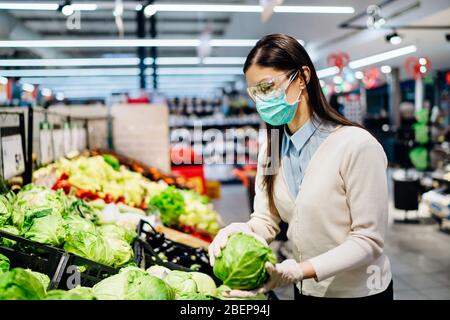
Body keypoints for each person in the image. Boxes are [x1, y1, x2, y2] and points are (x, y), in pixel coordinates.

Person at [208, 34, 393, 300]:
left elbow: (369, 240)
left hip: (359, 292)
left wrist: (298, 270)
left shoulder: (356, 145)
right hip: (306, 289)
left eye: (268, 87)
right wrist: (242, 230)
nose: (262, 100)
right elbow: (266, 219)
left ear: (302, 77)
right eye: (255, 93)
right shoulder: (271, 148)